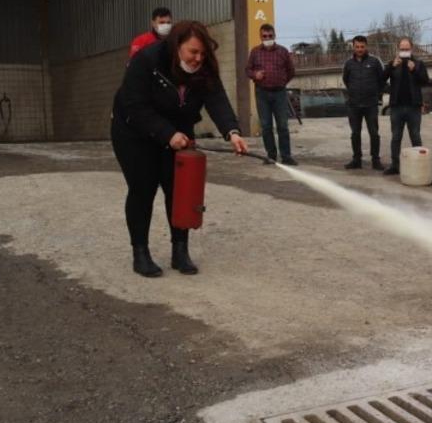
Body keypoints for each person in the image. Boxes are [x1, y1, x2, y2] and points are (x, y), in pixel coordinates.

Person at [112, 20, 248, 277]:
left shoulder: (204, 68)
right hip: (134, 131)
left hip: (178, 130)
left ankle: (180, 251)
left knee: (179, 189)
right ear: (177, 47)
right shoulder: (147, 60)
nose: (198, 59)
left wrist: (232, 132)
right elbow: (134, 105)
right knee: (143, 188)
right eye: (193, 52)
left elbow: (216, 98)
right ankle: (140, 253)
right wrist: (166, 133)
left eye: (203, 54)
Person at [245, 23, 296, 165]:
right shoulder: (255, 52)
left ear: (274, 35)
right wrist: (255, 74)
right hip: (262, 93)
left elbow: (291, 71)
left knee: (283, 126)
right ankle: (271, 155)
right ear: (260, 37)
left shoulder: (283, 51)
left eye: (270, 36)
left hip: (279, 93)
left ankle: (286, 156)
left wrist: (282, 81)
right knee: (266, 126)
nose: (267, 38)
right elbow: (247, 70)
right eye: (264, 36)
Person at [382, 37, 429, 176]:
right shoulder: (392, 64)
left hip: (413, 106)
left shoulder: (418, 63)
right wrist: (391, 67)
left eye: (406, 49)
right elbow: (381, 79)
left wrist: (414, 70)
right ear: (398, 49)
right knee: (396, 137)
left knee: (415, 136)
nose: (404, 51)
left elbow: (425, 81)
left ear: (411, 49)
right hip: (396, 106)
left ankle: (419, 164)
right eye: (402, 49)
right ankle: (395, 165)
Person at [341, 35, 386, 170]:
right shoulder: (348, 64)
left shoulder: (375, 62)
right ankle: (356, 160)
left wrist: (376, 95)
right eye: (357, 47)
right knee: (355, 133)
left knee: (374, 133)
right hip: (354, 105)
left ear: (366, 47)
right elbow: (346, 80)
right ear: (353, 47)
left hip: (370, 105)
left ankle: (376, 160)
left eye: (362, 47)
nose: (359, 49)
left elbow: (382, 80)